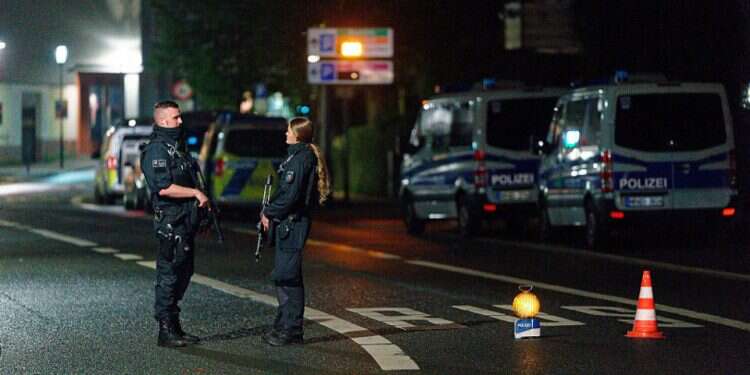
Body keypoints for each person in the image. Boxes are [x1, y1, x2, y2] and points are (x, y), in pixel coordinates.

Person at [141, 100, 208, 347]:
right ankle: (165, 329)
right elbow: (164, 187)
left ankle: (174, 325)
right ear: (163, 121)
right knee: (169, 274)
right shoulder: (158, 150)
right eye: (176, 117)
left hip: (184, 221)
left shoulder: (176, 148)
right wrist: (194, 193)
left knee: (184, 271)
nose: (181, 121)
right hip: (170, 223)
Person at [260, 117, 330, 346]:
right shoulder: (296, 156)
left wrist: (269, 213)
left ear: (297, 134)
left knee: (287, 276)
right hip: (288, 224)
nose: (285, 133)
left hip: (292, 223)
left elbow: (290, 197)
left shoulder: (301, 159)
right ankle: (283, 326)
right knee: (285, 275)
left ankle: (291, 331)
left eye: (288, 130)